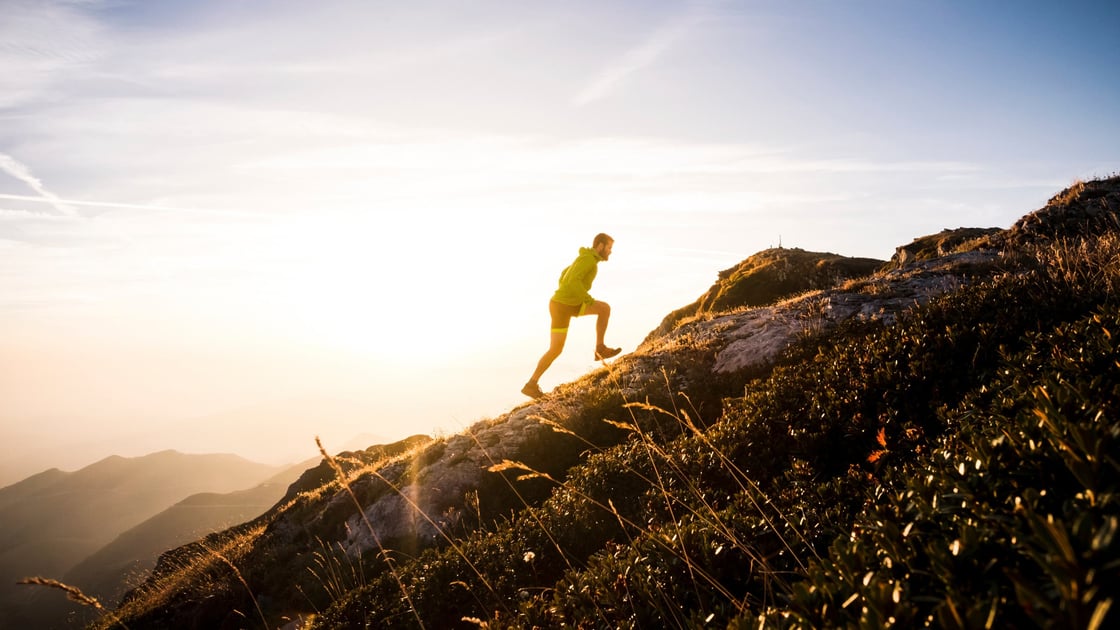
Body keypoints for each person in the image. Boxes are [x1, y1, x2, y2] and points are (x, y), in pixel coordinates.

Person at [522, 233, 621, 399]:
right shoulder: (588, 260)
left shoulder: (584, 257)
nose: (610, 252)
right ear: (601, 246)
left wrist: (569, 296)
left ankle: (531, 385)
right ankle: (600, 349)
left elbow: (563, 275)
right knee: (604, 309)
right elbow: (571, 280)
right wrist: (586, 298)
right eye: (609, 247)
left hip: (562, 305)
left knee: (555, 349)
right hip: (565, 306)